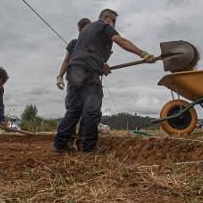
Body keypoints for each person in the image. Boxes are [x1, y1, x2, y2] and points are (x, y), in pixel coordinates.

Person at [53, 8, 157, 154]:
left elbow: (87, 53)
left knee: (74, 110)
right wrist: (142, 53)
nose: (113, 25)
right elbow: (120, 40)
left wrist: (102, 66)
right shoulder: (103, 25)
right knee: (92, 111)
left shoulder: (86, 34)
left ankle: (60, 144)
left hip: (75, 70)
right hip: (88, 72)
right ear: (107, 18)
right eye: (113, 21)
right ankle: (87, 148)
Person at [56, 17, 91, 149]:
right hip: (75, 81)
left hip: (90, 82)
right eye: (80, 30)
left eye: (84, 29)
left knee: (88, 112)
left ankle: (82, 142)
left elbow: (99, 62)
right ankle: (66, 142)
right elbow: (66, 61)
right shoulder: (74, 43)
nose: (81, 32)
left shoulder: (95, 45)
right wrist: (59, 76)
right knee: (73, 111)